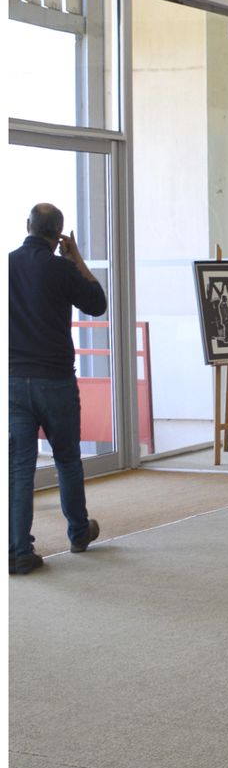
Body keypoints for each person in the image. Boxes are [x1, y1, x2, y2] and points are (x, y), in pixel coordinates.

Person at [10, 204, 105, 574]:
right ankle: (79, 533)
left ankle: (19, 551)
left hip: (14, 383)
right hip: (56, 382)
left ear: (27, 226)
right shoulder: (60, 268)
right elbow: (97, 304)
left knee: (19, 467)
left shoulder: (8, 265)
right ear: (59, 235)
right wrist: (78, 259)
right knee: (67, 459)